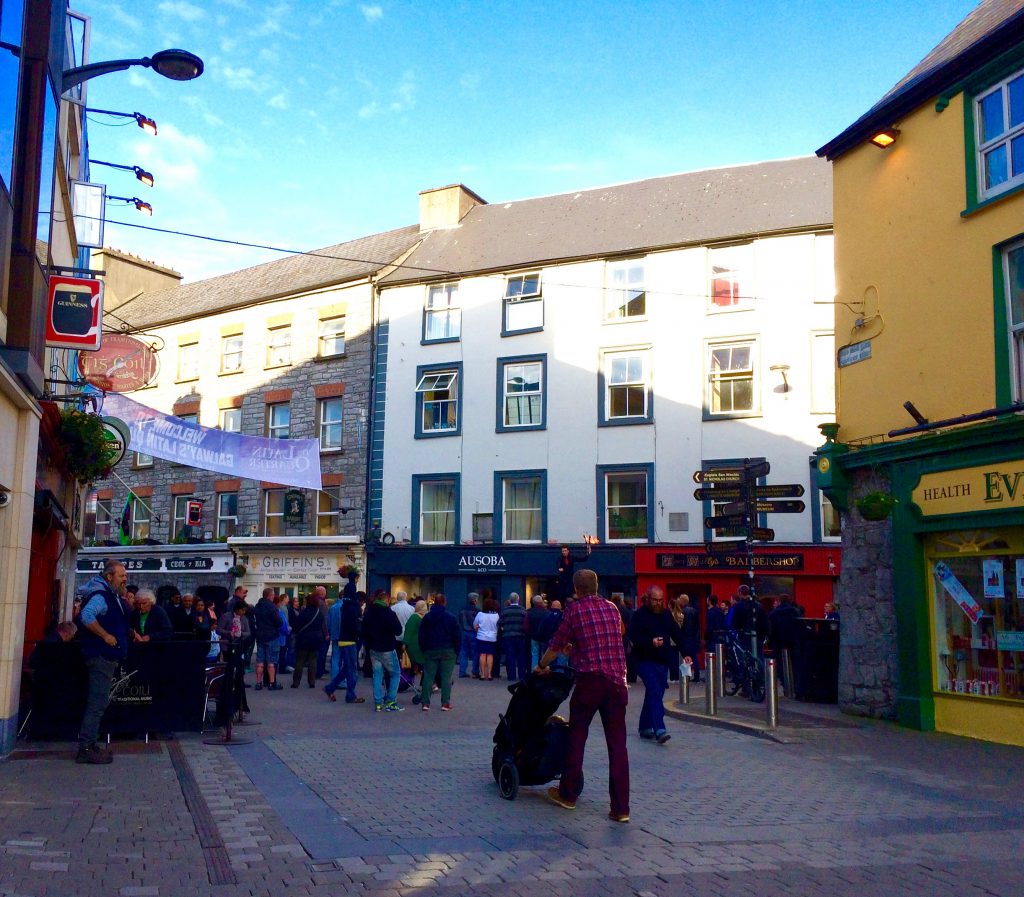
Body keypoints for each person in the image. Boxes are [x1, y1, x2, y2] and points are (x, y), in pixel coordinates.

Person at [537, 569, 629, 823]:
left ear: (576, 589)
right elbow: (619, 632)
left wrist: (542, 665)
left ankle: (568, 794)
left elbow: (555, 646)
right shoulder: (612, 608)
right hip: (617, 683)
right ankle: (621, 808)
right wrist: (580, 644)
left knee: (577, 735)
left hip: (590, 682)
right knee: (618, 745)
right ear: (597, 586)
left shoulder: (574, 611)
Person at [76, 559, 129, 764]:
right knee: (97, 703)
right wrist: (106, 635)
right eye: (121, 575)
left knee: (98, 703)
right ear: (109, 576)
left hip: (106, 656)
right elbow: (87, 616)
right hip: (101, 656)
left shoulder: (110, 595)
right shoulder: (101, 595)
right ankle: (86, 747)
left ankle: (90, 743)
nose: (125, 578)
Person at [628, 586, 682, 744]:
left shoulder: (666, 615)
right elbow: (633, 637)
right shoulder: (639, 615)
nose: (658, 603)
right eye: (655, 600)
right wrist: (650, 642)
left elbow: (676, 634)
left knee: (655, 693)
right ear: (648, 599)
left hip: (661, 660)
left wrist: (686, 654)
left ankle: (645, 727)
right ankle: (660, 728)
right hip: (643, 660)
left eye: (660, 600)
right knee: (653, 689)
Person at [362, 589, 403, 712]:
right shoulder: (389, 613)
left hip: (373, 648)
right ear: (386, 600)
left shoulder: (369, 612)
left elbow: (364, 631)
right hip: (387, 648)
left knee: (377, 675)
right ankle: (391, 701)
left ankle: (378, 703)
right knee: (395, 673)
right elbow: (398, 630)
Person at [418, 594, 460, 711]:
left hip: (430, 649)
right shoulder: (451, 617)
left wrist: (424, 648)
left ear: (434, 602)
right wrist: (456, 650)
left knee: (428, 676)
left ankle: (425, 703)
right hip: (448, 649)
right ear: (444, 602)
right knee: (446, 677)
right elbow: (457, 636)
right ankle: (445, 703)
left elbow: (421, 635)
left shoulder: (427, 617)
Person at [323, 585, 365, 704]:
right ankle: (350, 694)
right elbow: (354, 626)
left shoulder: (341, 607)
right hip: (350, 640)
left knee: (346, 666)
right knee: (351, 669)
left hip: (340, 638)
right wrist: (361, 631)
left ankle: (330, 687)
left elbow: (329, 621)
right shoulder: (352, 608)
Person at [291, 594, 327, 688]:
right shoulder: (319, 613)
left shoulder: (304, 612)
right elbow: (323, 625)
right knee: (313, 660)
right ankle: (312, 682)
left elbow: (296, 625)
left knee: (300, 661)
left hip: (303, 639)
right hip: (316, 639)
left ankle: (296, 682)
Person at [254, 588, 283, 691]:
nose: (273, 597)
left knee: (260, 660)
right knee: (271, 661)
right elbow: (278, 622)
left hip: (260, 635)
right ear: (269, 595)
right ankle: (271, 683)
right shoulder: (272, 607)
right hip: (271, 635)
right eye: (273, 595)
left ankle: (258, 683)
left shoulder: (258, 606)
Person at [402, 600, 428, 703]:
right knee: (422, 665)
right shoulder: (416, 617)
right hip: (416, 646)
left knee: (419, 666)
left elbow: (408, 630)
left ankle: (411, 681)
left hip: (416, 645)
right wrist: (405, 643)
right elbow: (410, 630)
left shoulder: (417, 617)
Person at [499, 592, 528, 682]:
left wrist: (504, 629)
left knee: (510, 656)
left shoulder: (505, 611)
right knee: (521, 657)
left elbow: (500, 623)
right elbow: (526, 623)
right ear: (518, 600)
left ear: (510, 600)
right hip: (520, 636)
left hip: (508, 636)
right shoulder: (523, 610)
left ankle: (511, 676)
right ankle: (522, 676)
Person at [473, 597, 500, 680]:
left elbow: (475, 625)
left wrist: (478, 631)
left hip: (481, 637)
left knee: (482, 654)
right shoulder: (496, 615)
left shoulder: (480, 614)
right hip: (492, 638)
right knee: (490, 655)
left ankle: (482, 674)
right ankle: (489, 674)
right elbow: (498, 626)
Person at [676, 594, 701, 683]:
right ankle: (697, 675)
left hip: (685, 637)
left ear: (682, 601)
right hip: (693, 637)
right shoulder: (695, 611)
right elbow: (697, 626)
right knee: (694, 657)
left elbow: (682, 626)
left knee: (685, 657)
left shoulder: (683, 612)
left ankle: (686, 676)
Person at [458, 593, 480, 678]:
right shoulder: (477, 610)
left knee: (463, 652)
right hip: (473, 633)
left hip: (464, 632)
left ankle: (462, 672)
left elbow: (459, 619)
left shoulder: (462, 609)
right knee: (475, 653)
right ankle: (475, 671)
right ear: (474, 600)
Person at [527, 595, 548, 670]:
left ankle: (534, 672)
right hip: (544, 637)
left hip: (533, 637)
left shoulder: (529, 612)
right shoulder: (546, 612)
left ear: (533, 602)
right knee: (544, 655)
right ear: (541, 602)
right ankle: (542, 671)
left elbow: (526, 626)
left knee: (534, 655)